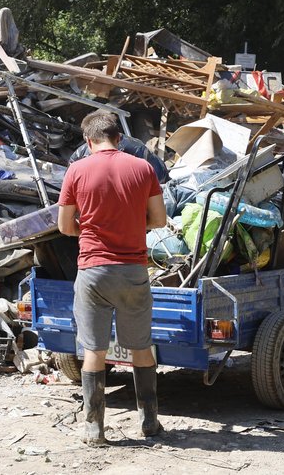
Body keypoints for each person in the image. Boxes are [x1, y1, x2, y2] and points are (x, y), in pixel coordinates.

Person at [57, 110, 167, 444]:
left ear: (89, 141)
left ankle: (94, 428)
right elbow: (159, 220)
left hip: (93, 272)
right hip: (133, 270)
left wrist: (92, 228)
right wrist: (134, 224)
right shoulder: (143, 168)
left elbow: (64, 226)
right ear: (119, 138)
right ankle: (149, 423)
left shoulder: (76, 170)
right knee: (141, 347)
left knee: (94, 350)